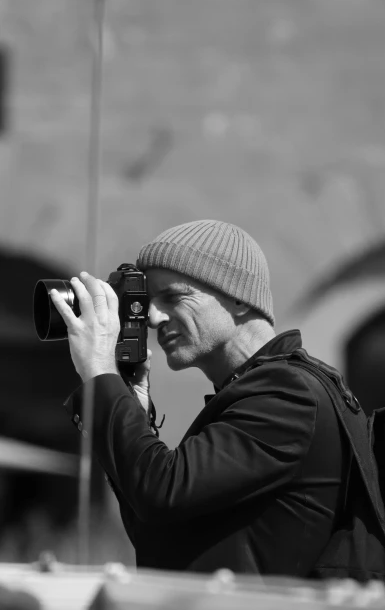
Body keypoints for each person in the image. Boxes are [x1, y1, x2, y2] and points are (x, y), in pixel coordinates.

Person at [55, 220, 349, 576]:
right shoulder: (256, 392)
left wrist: (101, 371)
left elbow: (162, 491)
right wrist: (132, 413)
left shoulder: (289, 393)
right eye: (148, 301)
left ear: (238, 298)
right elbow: (160, 529)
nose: (152, 317)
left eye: (174, 297)